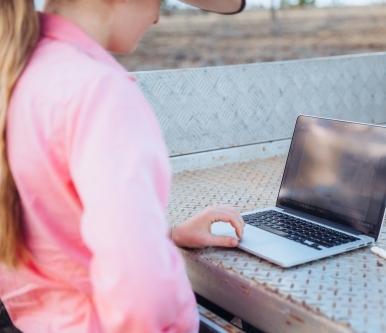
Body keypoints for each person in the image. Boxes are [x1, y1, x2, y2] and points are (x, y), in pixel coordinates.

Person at [0, 0, 246, 332]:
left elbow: (56, 235)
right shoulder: (100, 92)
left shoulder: (17, 71)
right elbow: (141, 293)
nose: (157, 17)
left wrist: (166, 235)